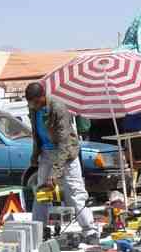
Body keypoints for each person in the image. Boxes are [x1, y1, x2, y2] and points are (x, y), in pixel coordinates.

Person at [24, 82, 97, 239]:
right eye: (30, 103)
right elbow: (36, 134)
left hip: (66, 154)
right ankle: (39, 230)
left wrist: (55, 173)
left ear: (42, 96)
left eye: (35, 102)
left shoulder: (58, 108)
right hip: (46, 154)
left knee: (74, 193)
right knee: (42, 193)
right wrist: (35, 155)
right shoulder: (33, 108)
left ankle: (89, 230)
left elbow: (64, 144)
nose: (33, 106)